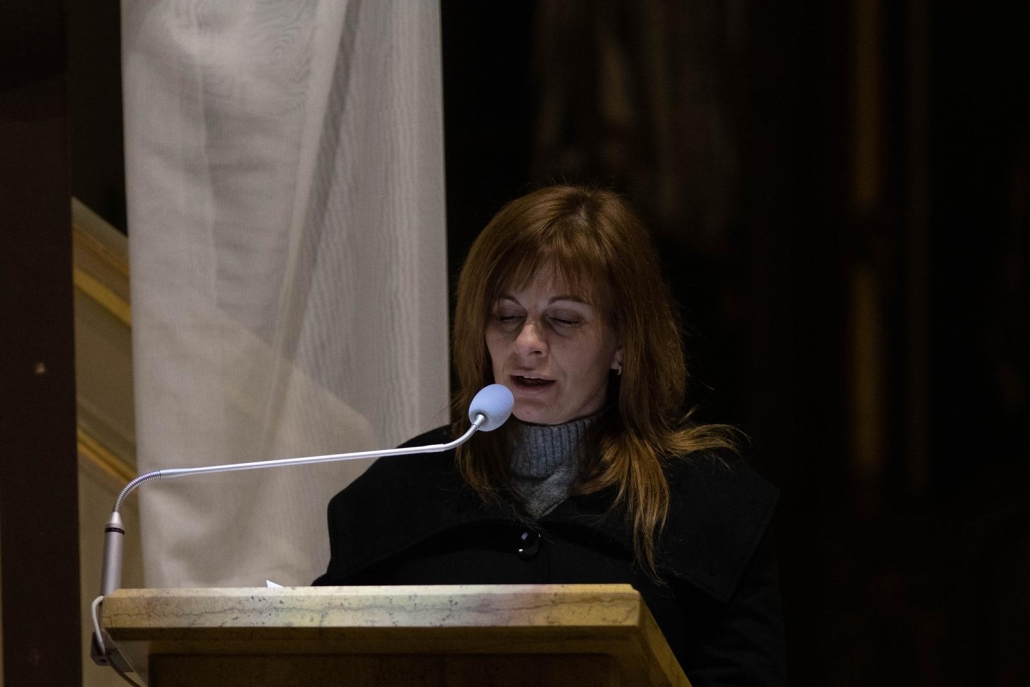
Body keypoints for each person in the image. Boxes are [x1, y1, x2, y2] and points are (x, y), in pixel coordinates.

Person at [315, 185, 785, 685]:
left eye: (563, 320)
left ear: (622, 343)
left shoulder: (710, 503)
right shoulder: (398, 491)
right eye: (506, 316)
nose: (526, 344)